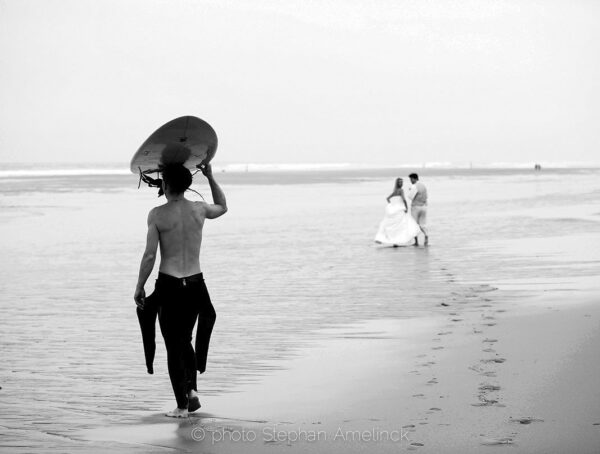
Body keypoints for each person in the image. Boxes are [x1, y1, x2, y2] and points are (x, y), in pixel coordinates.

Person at [134, 161, 227, 418]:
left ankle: (182, 406)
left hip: (170, 286)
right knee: (185, 340)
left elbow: (150, 256)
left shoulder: (157, 215)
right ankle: (192, 391)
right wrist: (209, 176)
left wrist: (140, 286)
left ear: (166, 184)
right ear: (187, 184)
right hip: (197, 285)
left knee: (174, 346)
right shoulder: (199, 209)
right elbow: (223, 207)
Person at [375, 177, 422, 247]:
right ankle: (416, 242)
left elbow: (388, 199)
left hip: (397, 209)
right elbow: (404, 200)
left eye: (402, 182)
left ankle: (395, 242)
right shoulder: (401, 190)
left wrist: (392, 206)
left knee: (398, 226)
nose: (401, 183)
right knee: (410, 224)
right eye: (400, 182)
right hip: (401, 210)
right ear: (397, 183)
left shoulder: (395, 190)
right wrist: (406, 207)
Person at [408, 173, 428, 246]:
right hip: (424, 207)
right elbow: (426, 197)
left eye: (411, 179)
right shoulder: (423, 186)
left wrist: (410, 190)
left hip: (416, 207)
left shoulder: (414, 186)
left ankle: (416, 241)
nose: (410, 181)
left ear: (414, 178)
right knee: (423, 224)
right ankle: (426, 236)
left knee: (414, 224)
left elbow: (410, 197)